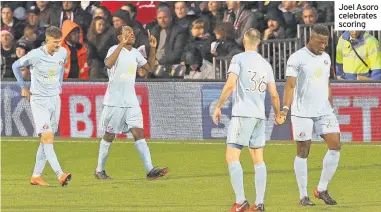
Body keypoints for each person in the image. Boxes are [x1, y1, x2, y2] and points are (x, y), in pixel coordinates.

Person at [212, 28, 285, 212]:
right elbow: (274, 95)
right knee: (258, 159)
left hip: (242, 114)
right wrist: (278, 114)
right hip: (260, 115)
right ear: (259, 43)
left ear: (244, 41)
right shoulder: (265, 64)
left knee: (232, 156)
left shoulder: (238, 59)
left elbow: (230, 85)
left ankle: (241, 201)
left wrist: (219, 105)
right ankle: (259, 203)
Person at [94, 26, 168, 180]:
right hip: (114, 102)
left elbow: (149, 68)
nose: (132, 35)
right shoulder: (114, 49)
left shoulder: (135, 53)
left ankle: (150, 170)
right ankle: (99, 170)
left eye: (132, 32)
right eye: (128, 33)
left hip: (131, 101)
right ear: (120, 37)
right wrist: (121, 44)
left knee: (139, 133)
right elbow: (108, 63)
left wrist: (153, 48)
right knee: (109, 135)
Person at [282, 24, 341, 206]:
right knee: (303, 151)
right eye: (320, 42)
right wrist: (285, 108)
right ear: (311, 38)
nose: (323, 45)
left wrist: (330, 106)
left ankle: (321, 189)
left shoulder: (326, 58)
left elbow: (327, 84)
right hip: (302, 113)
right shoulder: (297, 58)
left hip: (324, 110)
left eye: (326, 42)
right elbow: (290, 85)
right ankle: (303, 196)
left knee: (336, 146)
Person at [12, 26, 72, 187]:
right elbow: (15, 66)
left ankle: (36, 176)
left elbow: (61, 67)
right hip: (39, 100)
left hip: (55, 100)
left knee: (46, 140)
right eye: (54, 42)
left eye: (60, 42)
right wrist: (23, 86)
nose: (58, 45)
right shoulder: (35, 55)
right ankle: (60, 174)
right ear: (47, 40)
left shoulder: (62, 52)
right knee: (48, 137)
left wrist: (59, 83)